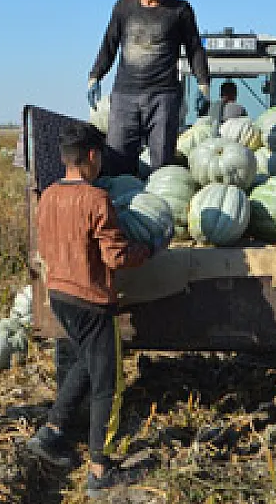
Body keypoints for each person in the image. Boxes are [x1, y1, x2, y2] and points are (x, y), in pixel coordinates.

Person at [26, 121, 164, 497]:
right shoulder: (96, 200)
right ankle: (100, 468)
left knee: (88, 362)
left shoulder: (49, 196)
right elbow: (116, 257)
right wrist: (151, 248)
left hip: (59, 295)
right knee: (107, 384)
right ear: (91, 157)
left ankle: (52, 431)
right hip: (91, 300)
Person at [87, 0, 210, 176]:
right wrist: (95, 76)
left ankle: (157, 206)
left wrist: (203, 83)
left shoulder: (180, 10)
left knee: (162, 164)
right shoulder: (123, 7)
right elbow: (109, 44)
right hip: (125, 95)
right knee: (117, 158)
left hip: (163, 96)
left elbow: (194, 49)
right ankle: (123, 207)